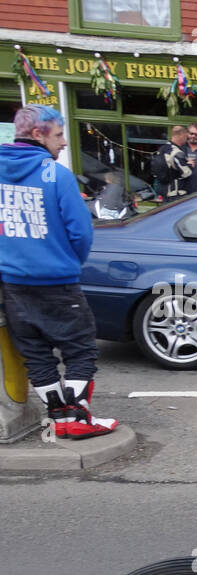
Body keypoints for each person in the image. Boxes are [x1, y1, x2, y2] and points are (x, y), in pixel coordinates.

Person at [0, 106, 118, 439]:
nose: (64, 142)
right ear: (38, 134)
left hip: (13, 284)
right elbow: (81, 233)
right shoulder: (56, 174)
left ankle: (58, 417)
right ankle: (77, 419)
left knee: (36, 353)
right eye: (59, 134)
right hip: (57, 282)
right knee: (81, 349)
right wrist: (68, 262)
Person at [151, 125, 193, 202]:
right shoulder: (175, 152)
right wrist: (190, 164)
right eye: (185, 136)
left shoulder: (162, 149)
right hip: (175, 194)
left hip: (164, 191)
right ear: (181, 135)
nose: (186, 139)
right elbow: (187, 172)